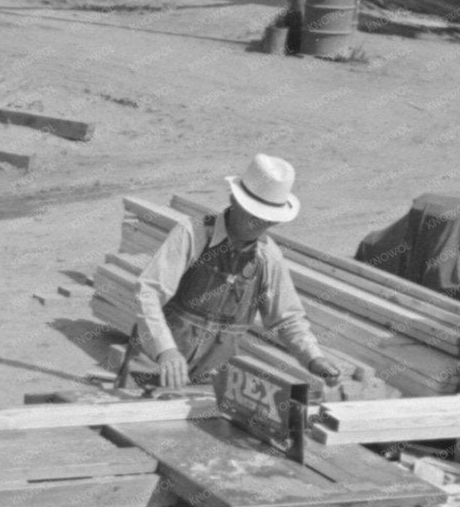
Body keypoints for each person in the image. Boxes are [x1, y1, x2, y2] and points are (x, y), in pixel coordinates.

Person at [132, 153, 343, 390]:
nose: (259, 226)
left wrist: (314, 359)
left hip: (209, 381)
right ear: (234, 201)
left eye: (268, 221)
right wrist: (165, 350)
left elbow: (287, 319)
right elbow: (149, 292)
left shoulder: (268, 257)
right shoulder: (193, 234)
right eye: (254, 217)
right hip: (152, 366)